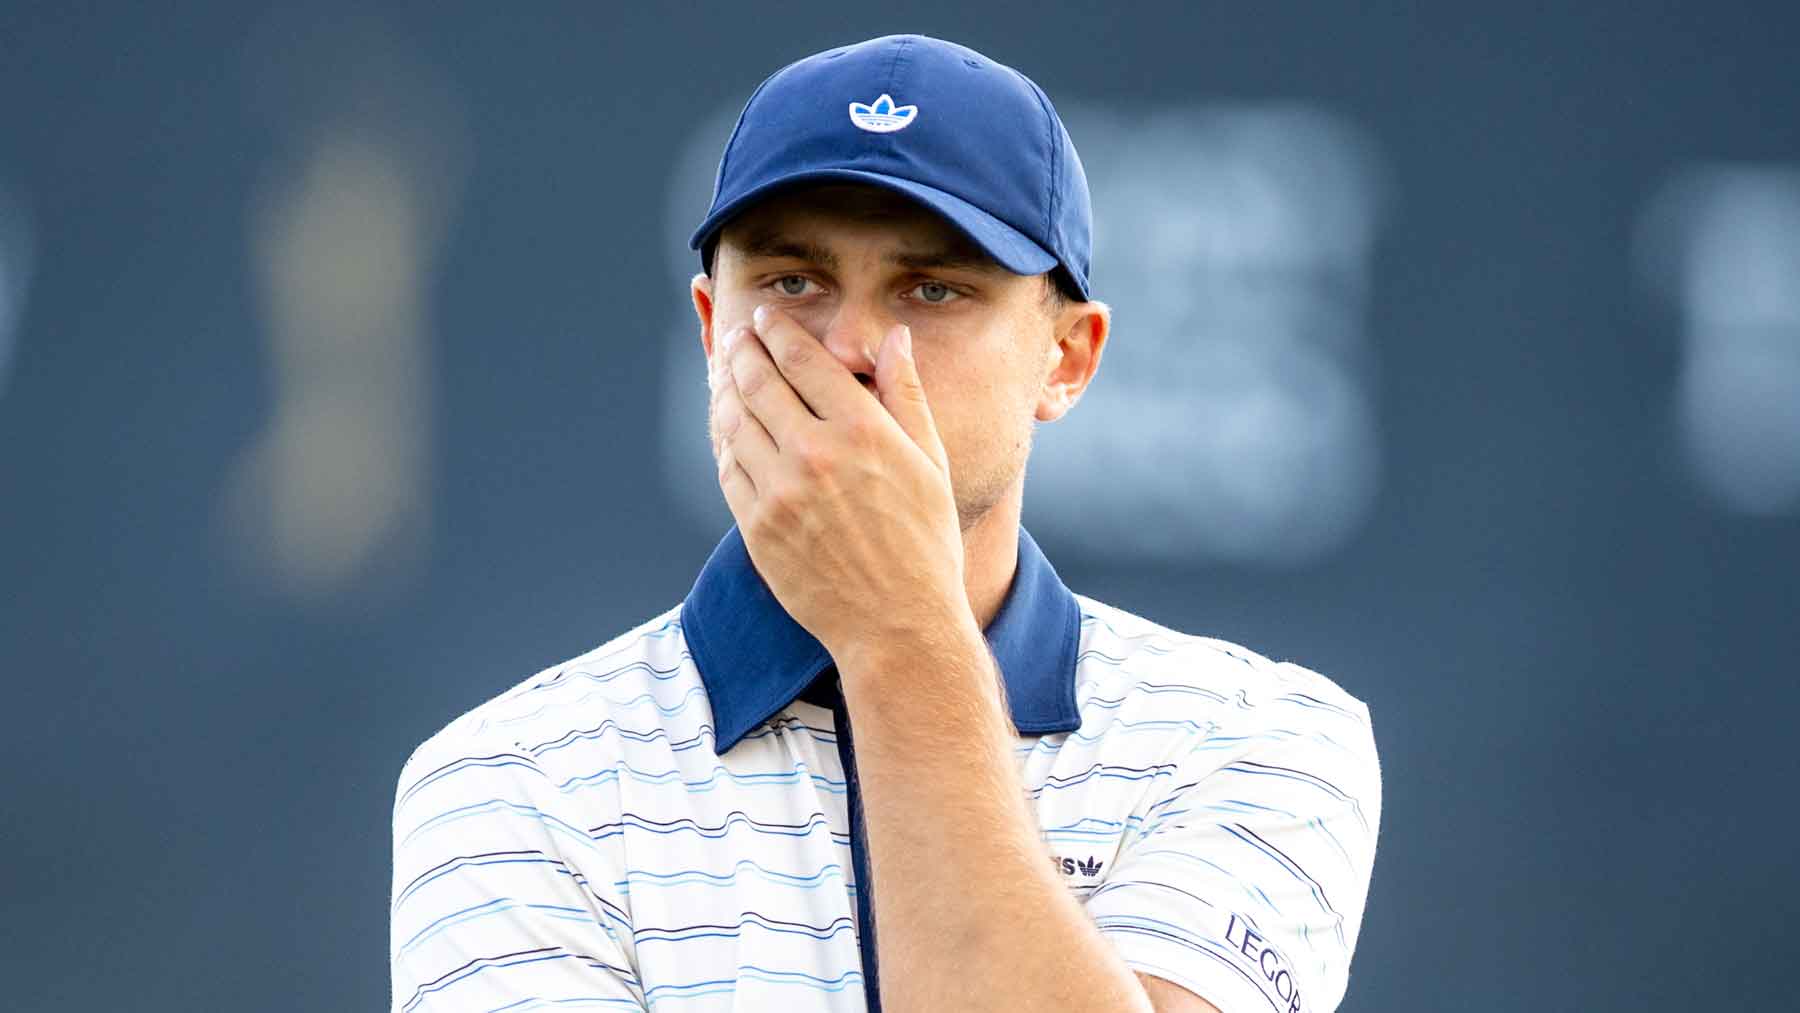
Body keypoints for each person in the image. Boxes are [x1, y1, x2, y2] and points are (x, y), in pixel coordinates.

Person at [391, 34, 1380, 1013]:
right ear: (710, 327)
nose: (854, 346)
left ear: (1068, 358)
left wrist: (900, 632)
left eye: (933, 289)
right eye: (792, 282)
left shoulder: (1256, 739)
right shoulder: (508, 781)